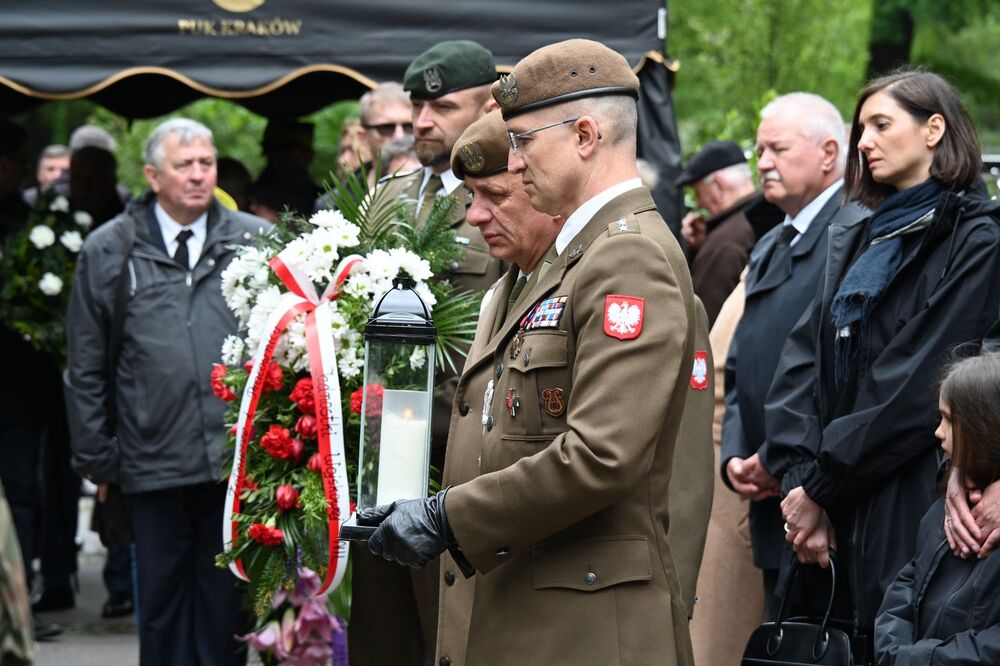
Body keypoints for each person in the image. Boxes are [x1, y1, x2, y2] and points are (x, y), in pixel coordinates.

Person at [361, 38, 698, 666]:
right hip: (538, 602)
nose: (513, 165)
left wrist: (445, 517)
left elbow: (602, 454)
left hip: (586, 622)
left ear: (586, 136)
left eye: (523, 143)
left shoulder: (627, 256)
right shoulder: (563, 261)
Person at [760, 69, 1000, 659]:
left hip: (910, 492)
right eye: (860, 126)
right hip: (826, 504)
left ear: (933, 129)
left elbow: (915, 380)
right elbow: (801, 368)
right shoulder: (859, 236)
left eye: (881, 124)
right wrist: (800, 487)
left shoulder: (977, 239)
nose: (862, 140)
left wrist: (819, 483)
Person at [65, 117, 269, 665]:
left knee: (227, 613)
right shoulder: (110, 249)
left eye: (207, 163)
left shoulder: (251, 238)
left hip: (233, 467)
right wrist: (99, 460)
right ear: (153, 176)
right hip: (151, 463)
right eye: (185, 165)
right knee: (161, 612)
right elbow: (84, 364)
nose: (200, 176)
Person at [349, 39, 504, 666]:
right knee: (383, 633)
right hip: (380, 448)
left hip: (456, 453)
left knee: (450, 632)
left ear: (487, 106)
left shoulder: (504, 196)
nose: (420, 121)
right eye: (417, 104)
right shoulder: (389, 194)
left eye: (440, 105)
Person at [719, 92, 866, 619]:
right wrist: (735, 453)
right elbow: (739, 364)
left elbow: (840, 375)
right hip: (768, 495)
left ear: (829, 152)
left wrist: (779, 455)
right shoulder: (771, 243)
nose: (762, 163)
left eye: (777, 149)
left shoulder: (853, 236)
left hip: (820, 493)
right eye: (758, 151)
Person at [875, 352, 1000, 664]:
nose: (938, 432)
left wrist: (922, 659)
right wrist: (895, 651)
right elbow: (906, 585)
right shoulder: (943, 508)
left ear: (984, 428)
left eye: (949, 420)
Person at [0, 117, 64, 641]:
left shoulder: (30, 220)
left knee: (22, 495)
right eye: (19, 162)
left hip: (17, 388)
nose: (23, 171)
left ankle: (16, 606)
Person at [676, 141, 757, 326]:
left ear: (719, 184)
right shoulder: (775, 217)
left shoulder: (724, 244)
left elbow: (703, 324)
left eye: (698, 192)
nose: (698, 202)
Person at [358, 81, 412, 170]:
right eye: (386, 128)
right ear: (363, 137)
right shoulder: (349, 183)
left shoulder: (440, 182)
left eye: (409, 127)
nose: (400, 136)